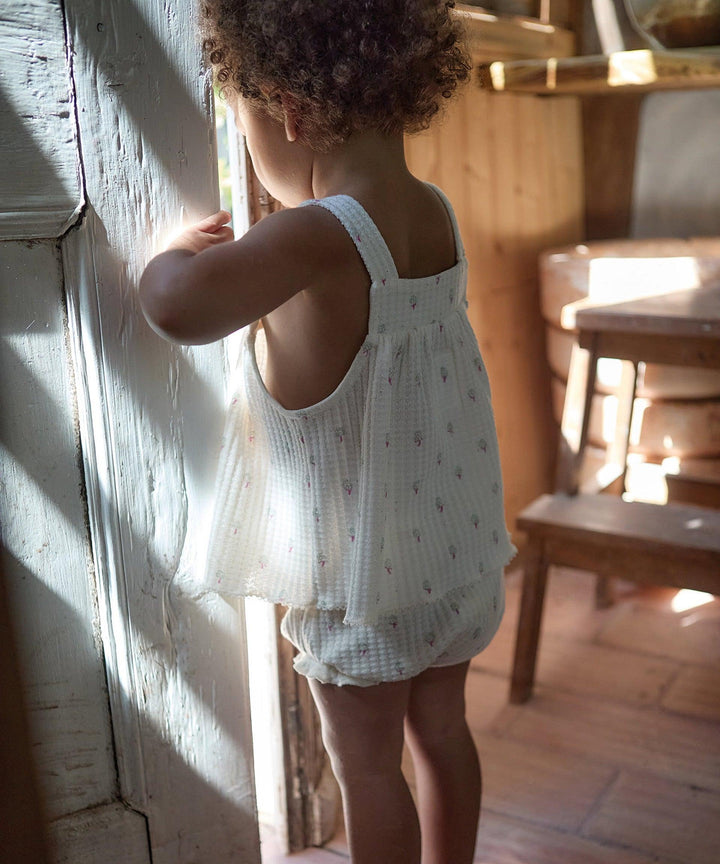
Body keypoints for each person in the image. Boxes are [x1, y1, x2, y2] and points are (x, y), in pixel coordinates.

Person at [139, 2, 516, 861]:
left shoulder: (315, 236)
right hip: (452, 562)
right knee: (446, 733)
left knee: (369, 771)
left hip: (364, 592)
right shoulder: (435, 213)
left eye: (248, 126)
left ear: (292, 113)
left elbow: (176, 309)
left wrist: (172, 251)